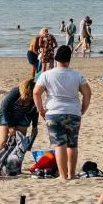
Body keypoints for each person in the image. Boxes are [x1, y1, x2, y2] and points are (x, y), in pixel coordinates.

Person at [33, 45, 91, 181]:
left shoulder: (46, 75)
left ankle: (63, 176)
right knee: (72, 144)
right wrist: (83, 109)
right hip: (73, 111)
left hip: (53, 112)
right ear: (69, 60)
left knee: (59, 144)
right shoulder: (77, 75)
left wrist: (40, 110)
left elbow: (36, 92)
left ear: (56, 58)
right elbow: (87, 93)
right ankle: (71, 174)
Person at [0, 78, 39, 164]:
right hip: (7, 114)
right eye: (27, 96)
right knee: (3, 141)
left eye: (31, 96)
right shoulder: (15, 92)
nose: (29, 98)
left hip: (24, 116)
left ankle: (16, 165)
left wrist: (34, 126)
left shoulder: (35, 96)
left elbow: (35, 112)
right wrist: (10, 126)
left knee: (20, 143)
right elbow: (4, 108)